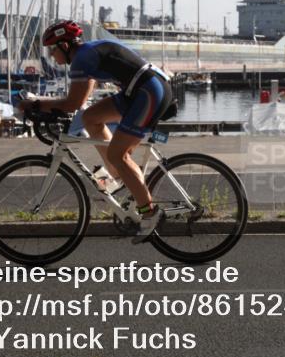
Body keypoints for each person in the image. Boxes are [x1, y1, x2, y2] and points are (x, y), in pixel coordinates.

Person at [18, 20, 174, 243]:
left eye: (52, 49)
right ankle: (121, 177)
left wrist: (35, 103)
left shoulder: (82, 59)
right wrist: (48, 106)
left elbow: (73, 103)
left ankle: (150, 213)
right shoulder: (86, 54)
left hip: (149, 93)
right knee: (91, 118)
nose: (52, 55)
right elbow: (81, 105)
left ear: (64, 45)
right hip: (139, 90)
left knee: (117, 154)